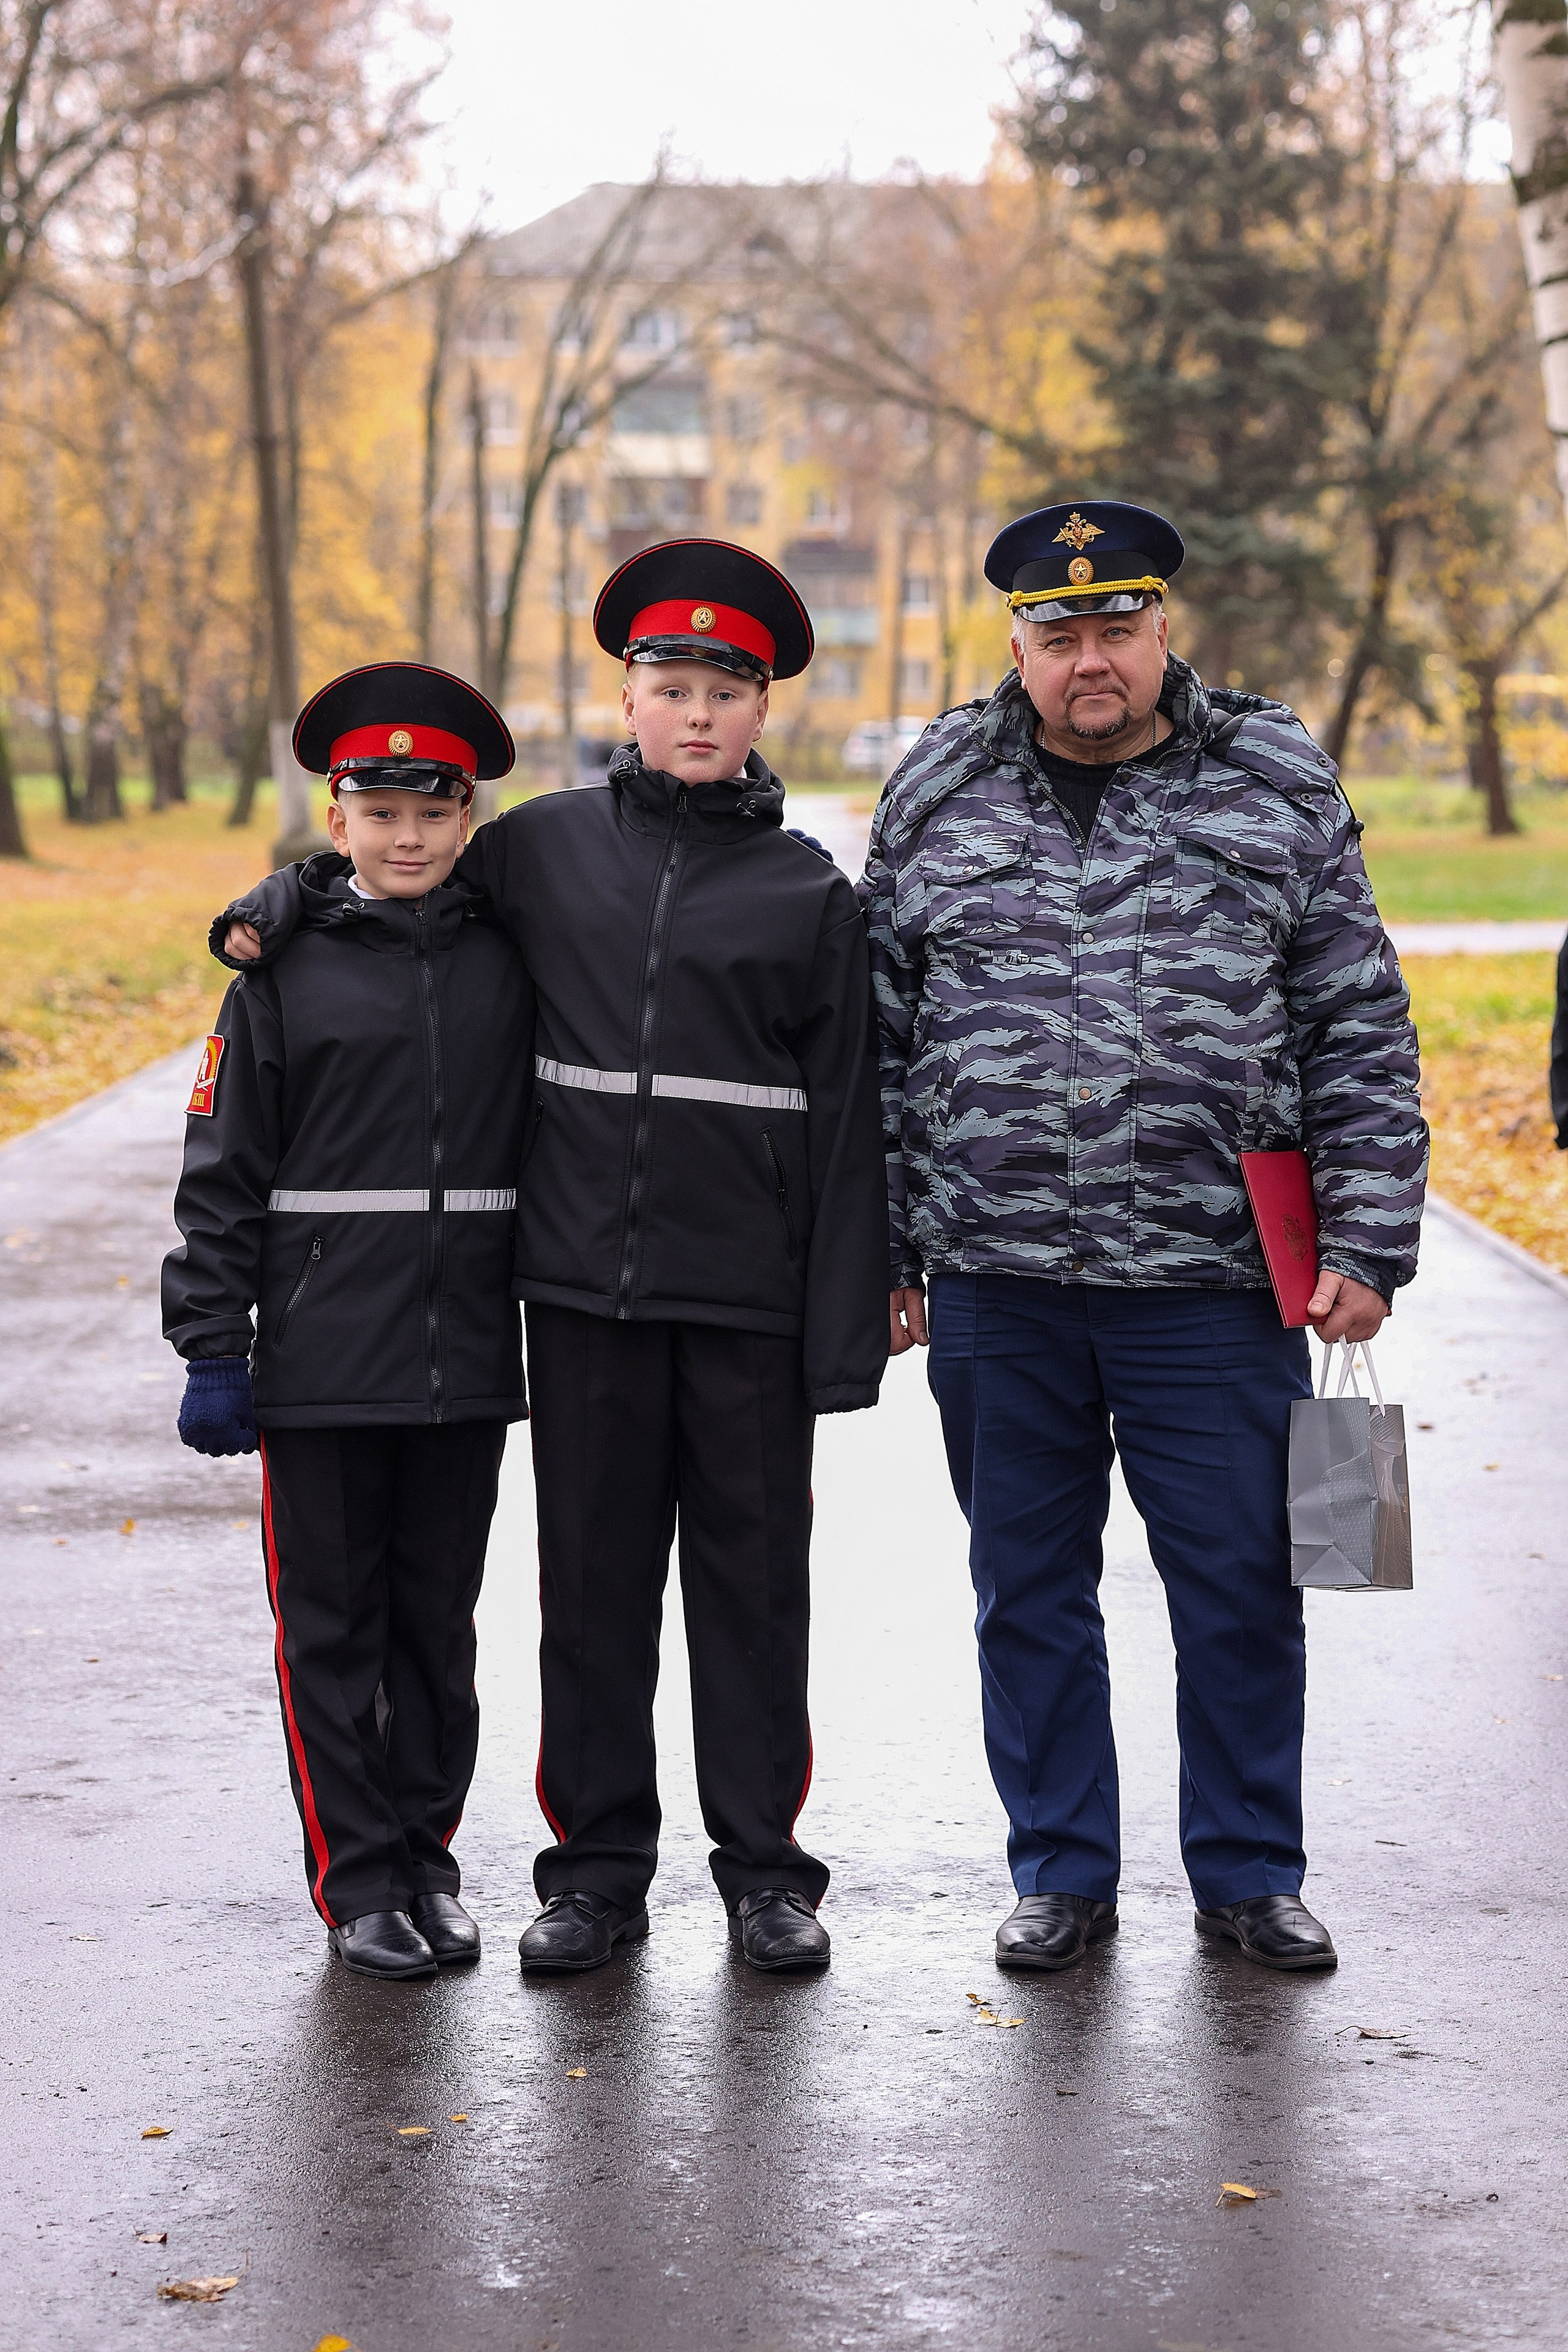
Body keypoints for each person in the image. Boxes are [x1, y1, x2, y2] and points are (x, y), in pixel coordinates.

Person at [215, 540, 890, 1977]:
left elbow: (848, 1129)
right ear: (626, 698)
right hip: (576, 1292)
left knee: (753, 1594)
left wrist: (839, 1334)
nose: (695, 712)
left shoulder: (808, 895)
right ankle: (593, 1873)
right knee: (587, 1594)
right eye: (669, 684)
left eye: (724, 688)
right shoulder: (539, 849)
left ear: (760, 710)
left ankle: (767, 1874)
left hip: (749, 1308)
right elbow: (392, 895)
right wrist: (276, 902)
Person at [862, 500, 1428, 1975]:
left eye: (1116, 625)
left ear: (1162, 624)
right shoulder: (935, 785)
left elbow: (1353, 1015)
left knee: (1243, 1581)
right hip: (999, 1279)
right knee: (1025, 1588)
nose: (1088, 659)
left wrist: (1363, 1236)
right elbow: (873, 1032)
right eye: (1057, 634)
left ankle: (1246, 1871)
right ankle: (1060, 1870)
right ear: (1016, 643)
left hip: (1215, 1280)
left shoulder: (1270, 775)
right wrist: (879, 1250)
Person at [164, 665, 531, 1982]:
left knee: (439, 1628)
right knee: (332, 1629)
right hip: (320, 1362)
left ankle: (427, 1856)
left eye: (434, 808)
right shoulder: (277, 970)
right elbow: (219, 1169)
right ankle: (357, 1879)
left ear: (467, 817)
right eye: (379, 809)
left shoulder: (509, 952)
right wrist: (215, 1344)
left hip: (469, 1361)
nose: (409, 835)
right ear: (337, 819)